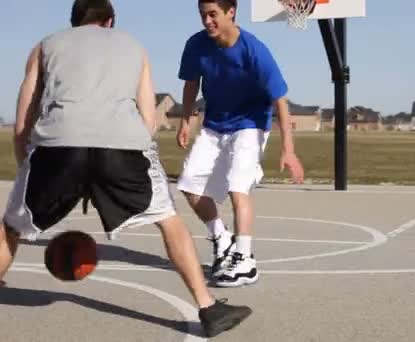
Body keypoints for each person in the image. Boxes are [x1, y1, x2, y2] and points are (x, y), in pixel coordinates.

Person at [0, 0, 250, 337]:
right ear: (110, 20)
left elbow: (24, 118)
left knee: (11, 228)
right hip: (124, 147)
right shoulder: (133, 46)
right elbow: (148, 120)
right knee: (169, 222)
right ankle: (208, 308)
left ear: (73, 23)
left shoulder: (45, 46)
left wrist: (26, 168)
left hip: (58, 145)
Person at [176, 0, 305, 287]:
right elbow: (190, 84)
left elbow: (280, 100)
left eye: (213, 14)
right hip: (214, 124)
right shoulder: (196, 44)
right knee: (188, 185)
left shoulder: (253, 49)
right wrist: (186, 120)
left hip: (250, 123)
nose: (207, 21)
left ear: (230, 11)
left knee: (238, 187)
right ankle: (222, 239)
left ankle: (245, 260)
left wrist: (288, 149)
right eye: (203, 15)